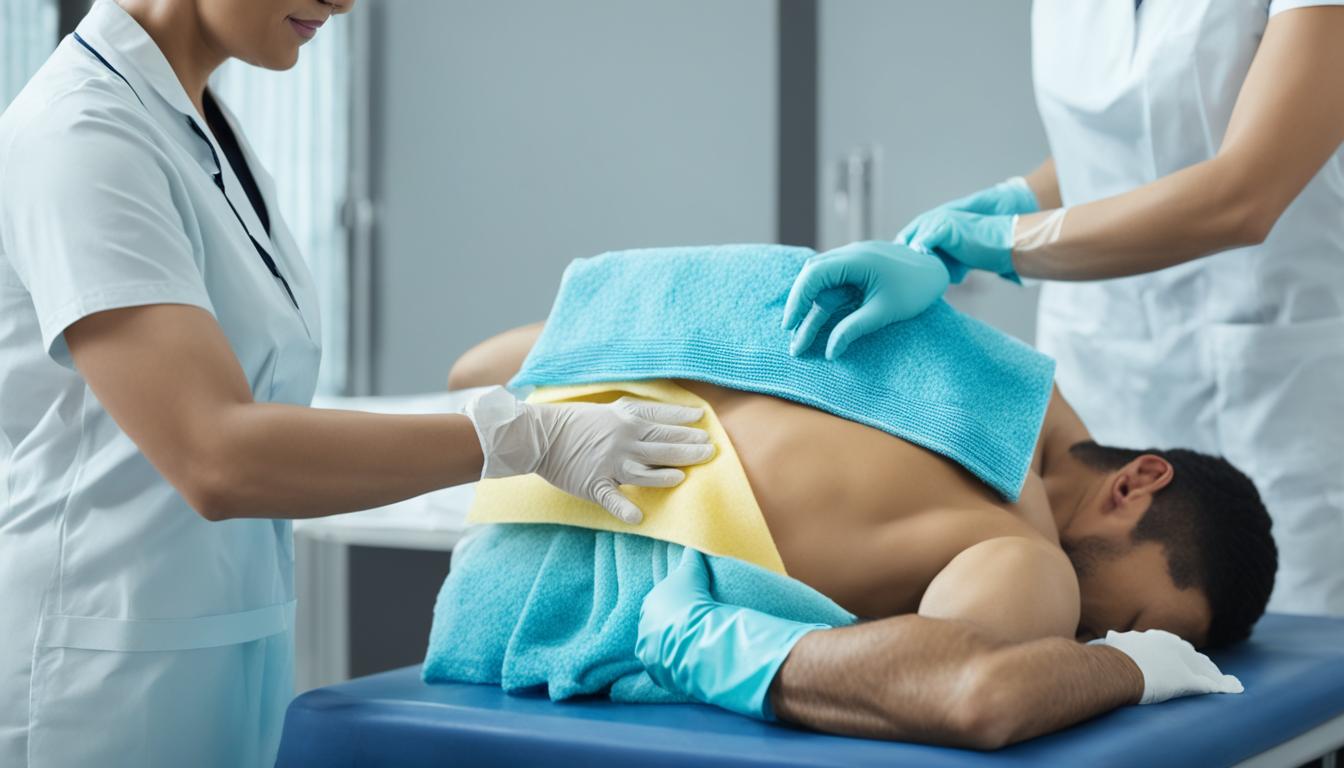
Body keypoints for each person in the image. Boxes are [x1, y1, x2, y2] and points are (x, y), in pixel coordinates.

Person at [0, 1, 712, 765]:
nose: (344, 0)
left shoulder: (207, 131)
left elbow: (259, 404)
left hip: (218, 643)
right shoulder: (81, 136)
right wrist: (520, 440)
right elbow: (216, 454)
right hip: (93, 672)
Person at [447, 258, 1276, 747]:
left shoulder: (949, 346)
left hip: (527, 498)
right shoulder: (1024, 558)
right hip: (571, 594)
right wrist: (1131, 669)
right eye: (1131, 620)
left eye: (1125, 638)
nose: (1092, 635)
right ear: (1136, 484)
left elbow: (475, 372)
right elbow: (980, 694)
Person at [784, 1, 1344, 616]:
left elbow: (1245, 193)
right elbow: (1110, 148)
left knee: (1292, 644)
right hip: (1099, 350)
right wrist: (1016, 201)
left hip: (1268, 375)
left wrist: (1006, 242)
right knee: (1075, 617)